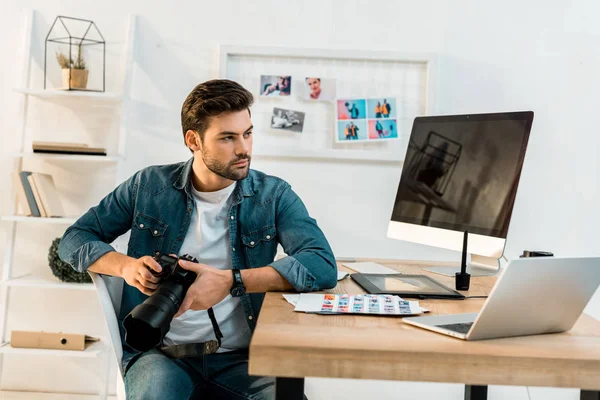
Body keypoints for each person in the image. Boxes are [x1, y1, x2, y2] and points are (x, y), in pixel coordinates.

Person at [58, 79, 337, 400]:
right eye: (228, 138)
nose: (244, 148)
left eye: (247, 133)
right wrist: (126, 267)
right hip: (160, 355)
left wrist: (231, 281)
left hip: (245, 357)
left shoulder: (273, 195)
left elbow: (321, 264)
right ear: (193, 140)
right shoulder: (149, 187)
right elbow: (74, 239)